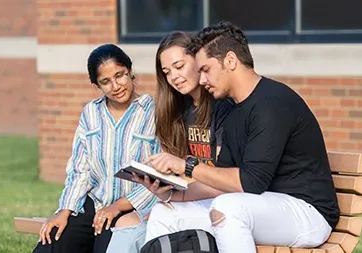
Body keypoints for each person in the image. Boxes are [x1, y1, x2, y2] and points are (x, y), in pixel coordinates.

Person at [138, 21, 340, 253]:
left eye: (205, 70)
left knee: (229, 207)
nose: (202, 80)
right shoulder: (233, 109)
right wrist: (176, 194)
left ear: (231, 61)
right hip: (261, 205)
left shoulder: (272, 103)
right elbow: (222, 182)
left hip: (307, 213)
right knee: (165, 213)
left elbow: (250, 183)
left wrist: (187, 166)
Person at [107, 31, 233, 253]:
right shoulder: (180, 112)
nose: (174, 76)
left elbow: (225, 179)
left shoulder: (221, 106)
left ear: (198, 60)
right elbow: (183, 177)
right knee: (131, 224)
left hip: (224, 202)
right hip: (193, 199)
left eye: (179, 66)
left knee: (160, 216)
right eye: (167, 72)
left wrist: (175, 197)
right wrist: (162, 188)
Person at [32, 44, 160, 253]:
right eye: (105, 82)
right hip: (95, 203)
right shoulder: (91, 113)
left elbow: (159, 176)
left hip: (130, 208)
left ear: (130, 71)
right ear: (97, 85)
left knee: (105, 247)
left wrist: (118, 207)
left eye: (120, 75)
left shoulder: (154, 113)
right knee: (53, 242)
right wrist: (65, 210)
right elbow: (80, 170)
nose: (116, 86)